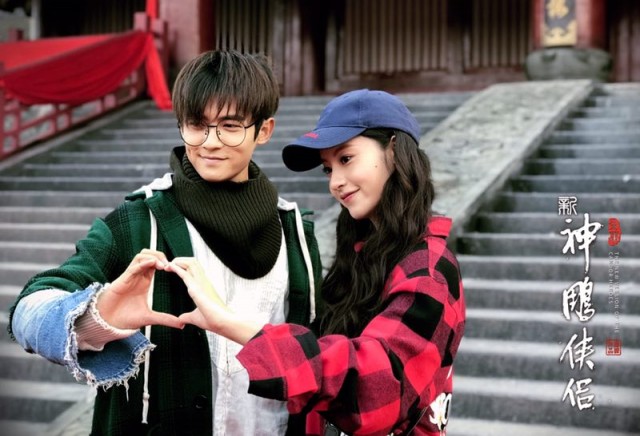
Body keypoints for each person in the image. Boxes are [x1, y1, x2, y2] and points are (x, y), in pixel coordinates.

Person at [8, 50, 322, 435]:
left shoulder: (295, 231)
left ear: (264, 130)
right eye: (197, 124)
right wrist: (97, 315)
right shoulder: (138, 221)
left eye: (230, 126)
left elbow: (317, 347)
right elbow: (28, 310)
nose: (210, 142)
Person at [166, 89, 466, 435]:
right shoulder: (364, 256)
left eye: (346, 159)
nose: (336, 182)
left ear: (394, 151)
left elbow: (375, 390)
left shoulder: (429, 270)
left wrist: (231, 324)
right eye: (328, 169)